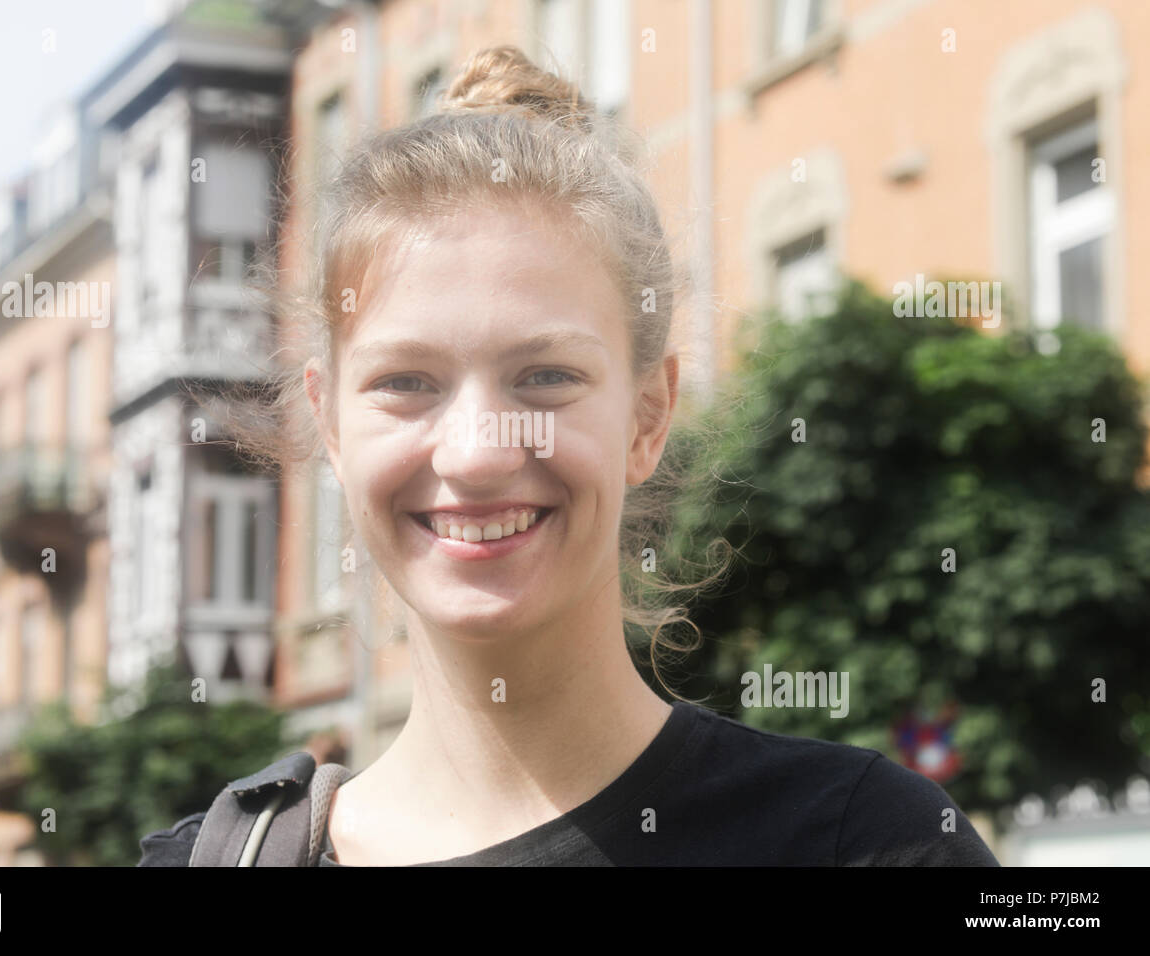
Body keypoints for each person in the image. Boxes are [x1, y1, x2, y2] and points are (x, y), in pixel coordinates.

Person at [137, 45, 999, 867]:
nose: (476, 454)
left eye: (545, 376)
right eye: (406, 382)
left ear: (648, 415)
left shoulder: (870, 844)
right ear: (330, 425)